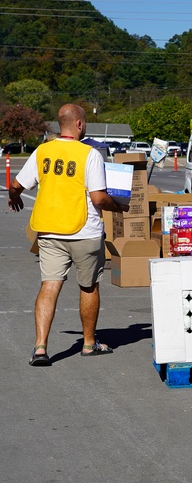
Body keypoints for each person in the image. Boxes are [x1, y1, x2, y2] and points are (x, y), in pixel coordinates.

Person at [7, 104, 128, 366]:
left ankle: (40, 348)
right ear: (80, 124)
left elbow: (16, 185)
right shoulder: (89, 154)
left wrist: (14, 198)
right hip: (84, 230)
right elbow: (98, 197)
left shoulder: (43, 151)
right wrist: (117, 206)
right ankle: (88, 344)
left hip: (49, 230)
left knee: (49, 286)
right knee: (88, 286)